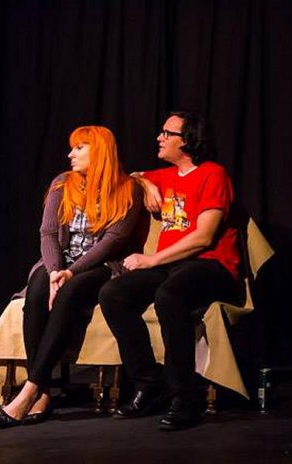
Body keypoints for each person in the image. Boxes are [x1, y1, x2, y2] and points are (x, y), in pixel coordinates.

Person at [0, 126, 148, 428]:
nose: (70, 154)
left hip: (100, 267)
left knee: (70, 290)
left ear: (99, 151)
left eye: (79, 148)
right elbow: (49, 233)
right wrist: (54, 270)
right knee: (37, 289)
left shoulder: (128, 190)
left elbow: (112, 242)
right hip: (58, 263)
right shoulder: (62, 183)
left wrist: (70, 272)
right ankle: (41, 390)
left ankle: (32, 388)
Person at [99, 111, 240, 431]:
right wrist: (146, 182)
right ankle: (148, 384)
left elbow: (204, 237)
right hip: (173, 265)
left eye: (167, 133)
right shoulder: (166, 175)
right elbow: (128, 175)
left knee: (169, 294)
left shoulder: (213, 174)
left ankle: (185, 396)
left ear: (188, 141)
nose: (159, 138)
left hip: (212, 265)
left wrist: (151, 260)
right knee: (113, 293)